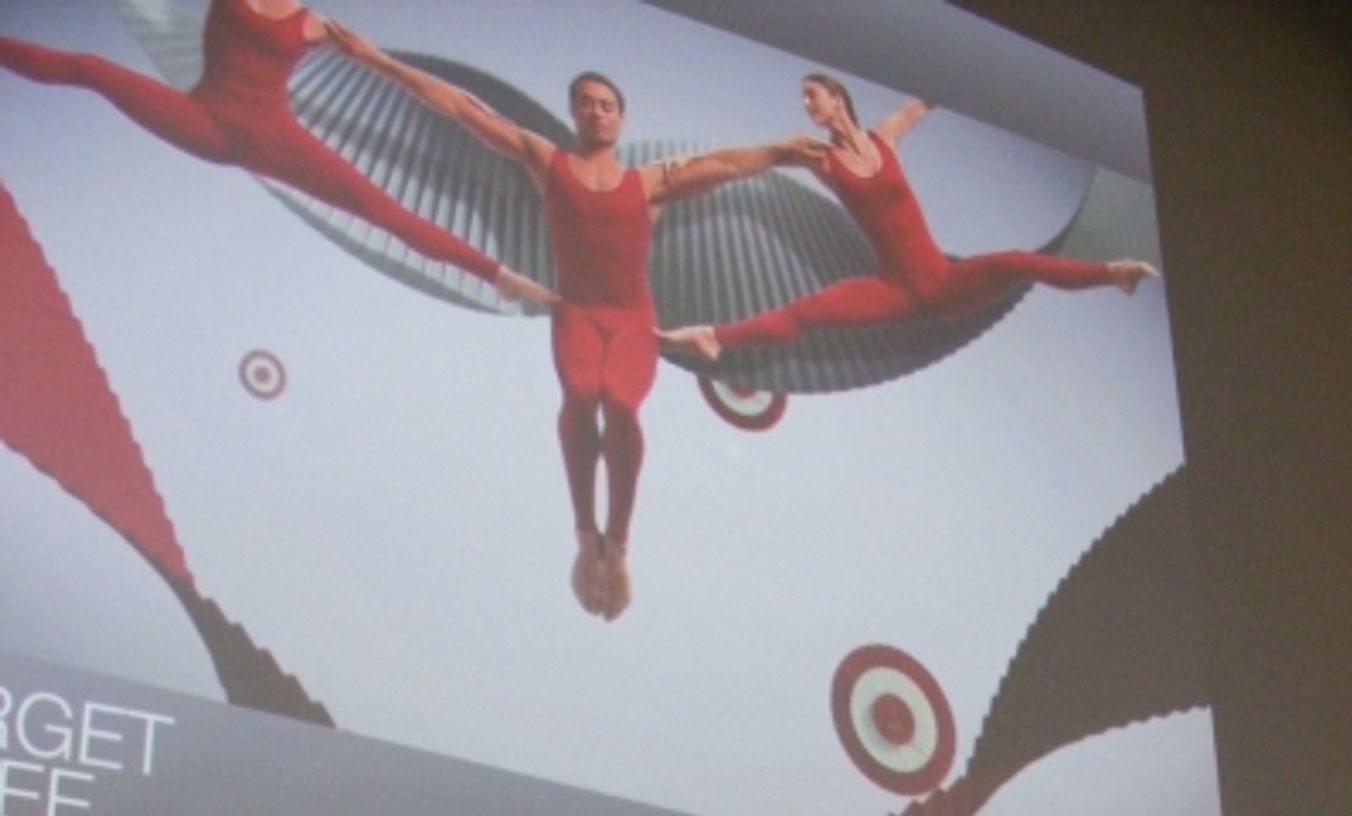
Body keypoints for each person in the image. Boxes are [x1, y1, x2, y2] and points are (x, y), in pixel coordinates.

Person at [325, 27, 818, 620]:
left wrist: (786, 152)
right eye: (586, 103)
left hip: (633, 320)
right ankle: (587, 539)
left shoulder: (650, 181)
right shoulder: (547, 160)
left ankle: (619, 545)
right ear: (574, 113)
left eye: (606, 105)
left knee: (620, 401)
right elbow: (461, 108)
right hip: (577, 314)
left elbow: (726, 165)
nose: (596, 112)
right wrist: (372, 58)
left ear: (620, 119)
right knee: (583, 393)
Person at [0, 1, 552, 305]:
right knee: (92, 70)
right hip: (203, 121)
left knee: (383, 211)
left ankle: (504, 278)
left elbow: (412, 82)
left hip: (272, 139)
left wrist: (492, 121)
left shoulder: (315, 25)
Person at [661, 72, 1158, 363]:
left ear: (838, 98)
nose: (807, 104)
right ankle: (715, 337)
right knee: (806, 314)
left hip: (945, 284)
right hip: (894, 292)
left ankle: (1113, 274)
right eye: (803, 99)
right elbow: (740, 161)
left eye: (813, 94)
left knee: (1019, 260)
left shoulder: (885, 135)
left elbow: (929, 96)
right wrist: (690, 163)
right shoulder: (816, 156)